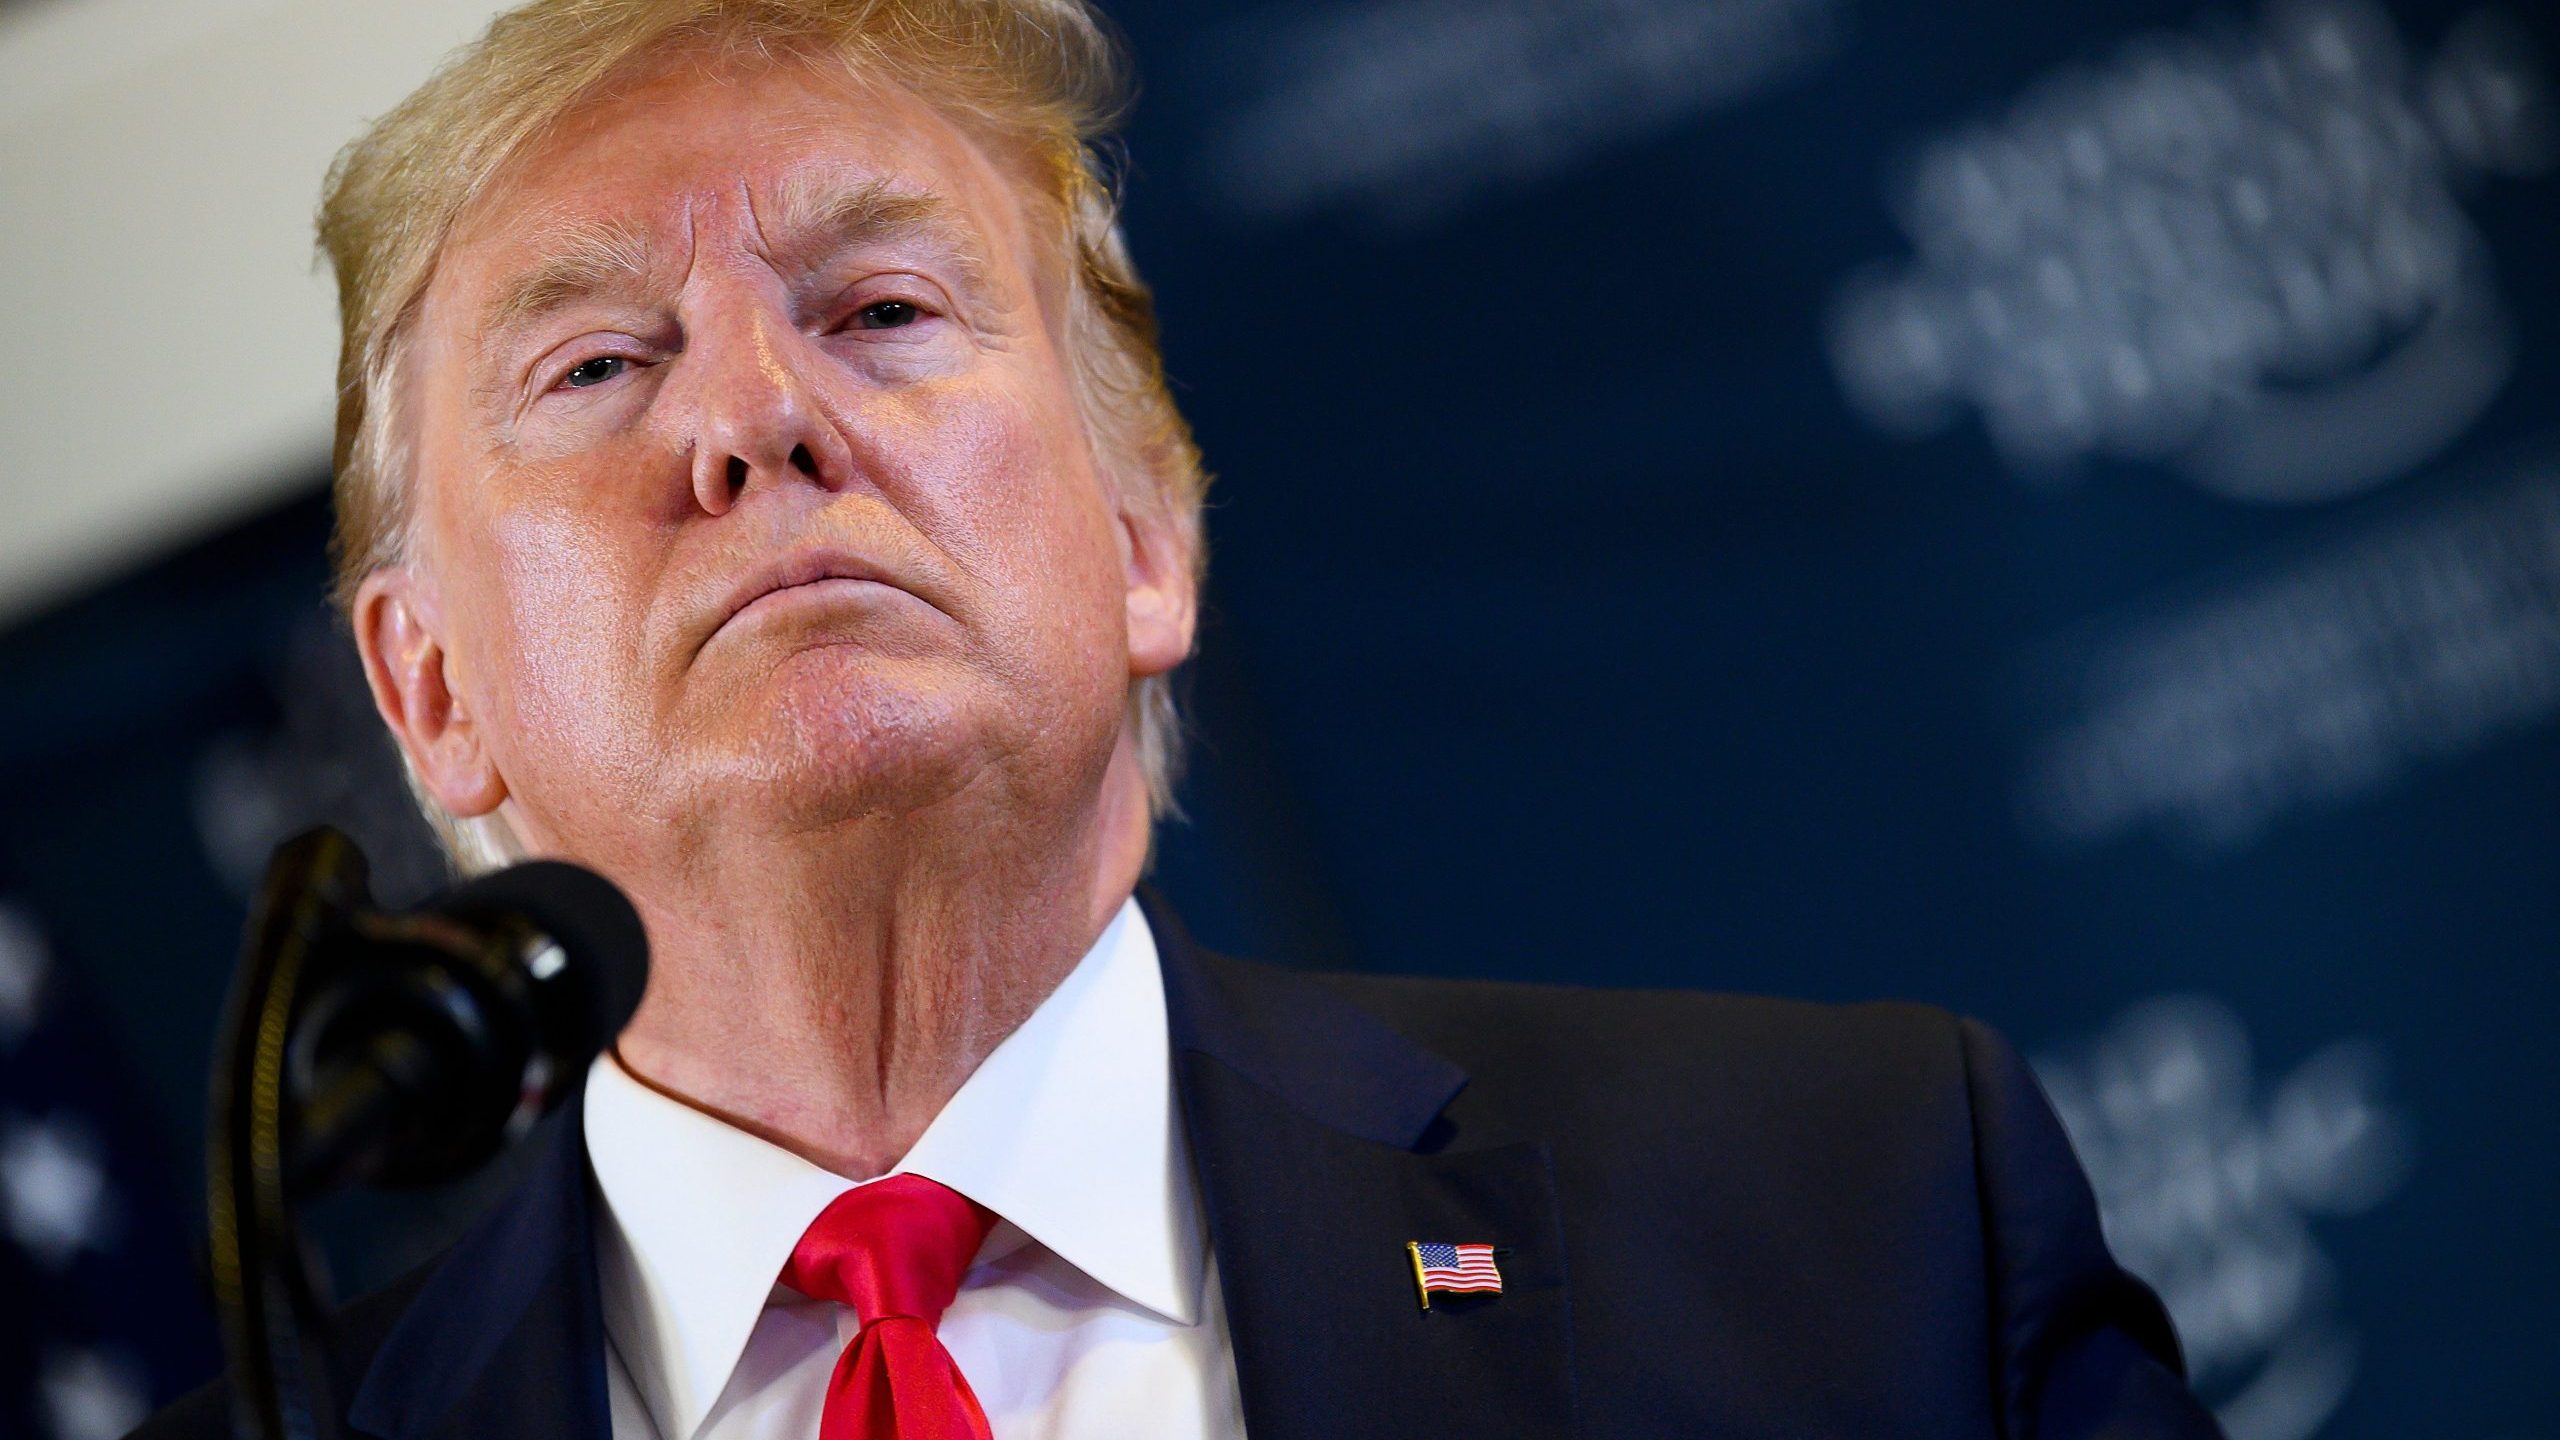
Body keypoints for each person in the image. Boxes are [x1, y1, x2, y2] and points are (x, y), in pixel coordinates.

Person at [136, 1, 2223, 1436]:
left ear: (1145, 539)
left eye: (877, 312)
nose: (756, 417)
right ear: (428, 692)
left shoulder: (1853, 1221)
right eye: (595, 365)